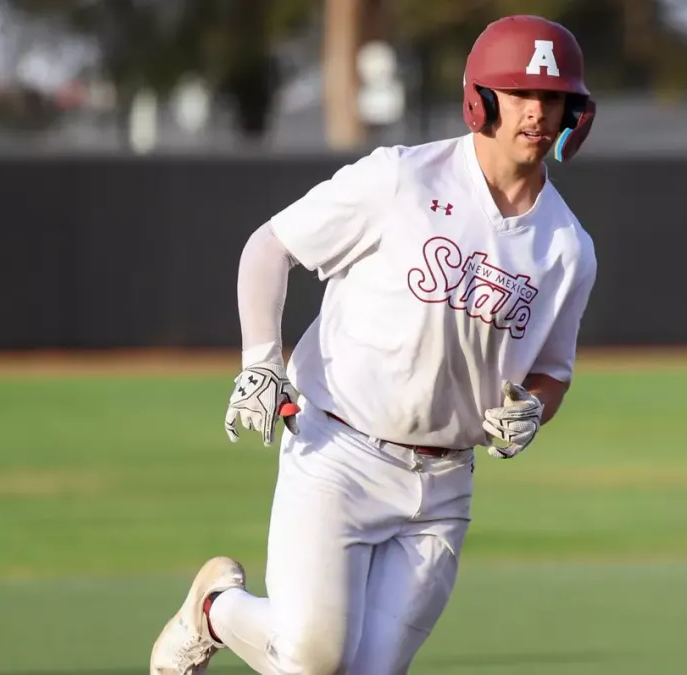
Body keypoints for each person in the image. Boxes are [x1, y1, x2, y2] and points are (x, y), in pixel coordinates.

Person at [149, 14, 598, 675]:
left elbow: (553, 373)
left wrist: (534, 408)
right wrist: (259, 363)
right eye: (521, 93)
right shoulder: (404, 180)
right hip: (339, 450)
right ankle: (214, 608)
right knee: (313, 661)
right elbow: (270, 247)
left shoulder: (568, 247)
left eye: (552, 96)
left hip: (444, 484)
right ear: (482, 99)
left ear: (573, 111)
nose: (537, 111)